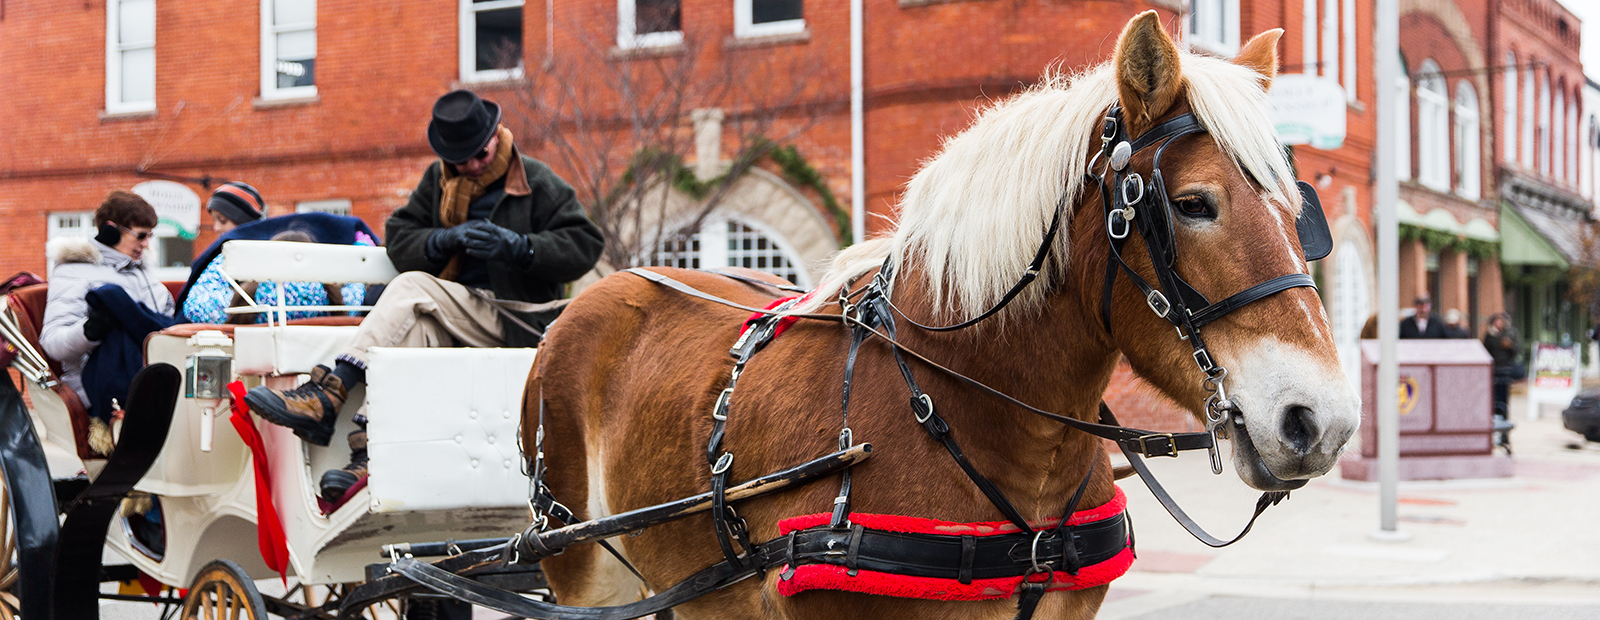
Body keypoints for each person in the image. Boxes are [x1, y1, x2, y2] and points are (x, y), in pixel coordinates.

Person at [244, 90, 605, 502]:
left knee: (412, 287)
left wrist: (519, 246)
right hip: (456, 311)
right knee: (412, 333)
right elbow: (399, 234)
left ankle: (331, 391)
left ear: (496, 138)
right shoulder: (439, 181)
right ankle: (370, 452)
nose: (470, 167)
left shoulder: (537, 180)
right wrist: (442, 239)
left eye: (480, 156)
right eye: (460, 161)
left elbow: (585, 244)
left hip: (517, 317)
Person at [40, 190, 176, 452]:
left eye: (150, 235)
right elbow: (53, 343)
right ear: (110, 231)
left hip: (147, 378)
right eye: (140, 235)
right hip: (100, 387)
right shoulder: (73, 271)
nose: (147, 244)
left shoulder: (143, 271)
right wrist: (91, 331)